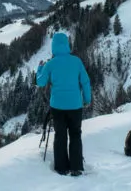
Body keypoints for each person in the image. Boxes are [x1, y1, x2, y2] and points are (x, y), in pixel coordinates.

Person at [36, 32, 92, 176]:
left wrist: (39, 69)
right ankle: (76, 167)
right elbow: (85, 82)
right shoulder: (76, 61)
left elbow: (41, 82)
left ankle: (61, 168)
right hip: (75, 106)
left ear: (54, 46)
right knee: (75, 135)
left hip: (58, 107)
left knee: (60, 136)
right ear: (67, 45)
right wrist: (87, 99)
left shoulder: (50, 64)